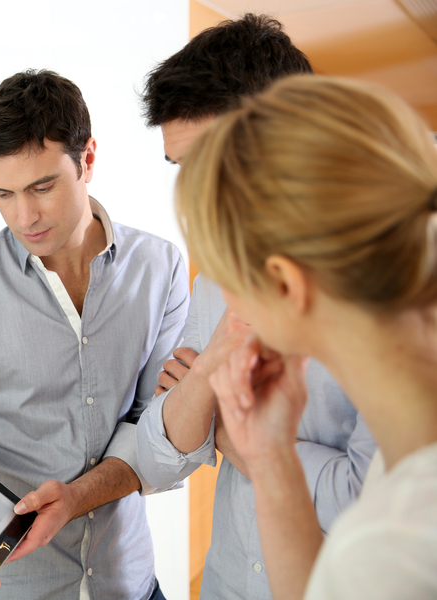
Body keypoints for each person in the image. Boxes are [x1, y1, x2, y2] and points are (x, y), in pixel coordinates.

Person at [0, 69, 188, 600]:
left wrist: (77, 496)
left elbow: (157, 427)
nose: (23, 216)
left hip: (131, 581)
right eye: (2, 194)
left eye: (42, 187)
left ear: (88, 160)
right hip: (14, 587)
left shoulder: (160, 268)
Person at [135, 14, 377, 600]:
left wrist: (234, 436)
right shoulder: (217, 273)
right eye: (183, 172)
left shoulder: (393, 279)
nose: (197, 199)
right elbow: (160, 456)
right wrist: (208, 409)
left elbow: (369, 502)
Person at [177, 74, 437, 599]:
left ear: (285, 285)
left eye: (227, 276)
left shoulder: (394, 550)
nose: (219, 296)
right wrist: (272, 456)